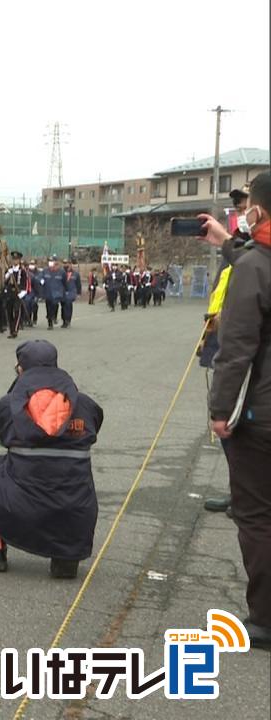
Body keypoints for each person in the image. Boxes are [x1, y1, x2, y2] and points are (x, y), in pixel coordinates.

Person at [0, 339, 103, 578]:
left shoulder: (8, 405)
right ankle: (66, 558)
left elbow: (1, 435)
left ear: (21, 369)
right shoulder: (84, 404)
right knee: (71, 476)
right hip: (75, 507)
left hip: (21, 504)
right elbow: (95, 426)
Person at [203, 170, 271, 648]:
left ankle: (265, 617)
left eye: (247, 202)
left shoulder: (255, 266)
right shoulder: (253, 258)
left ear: (259, 211)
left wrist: (220, 409)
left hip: (263, 414)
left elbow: (238, 346)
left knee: (257, 515)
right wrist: (229, 242)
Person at [0, 251, 30, 338]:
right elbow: (3, 281)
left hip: (18, 293)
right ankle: (11, 329)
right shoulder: (9, 269)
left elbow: (26, 282)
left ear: (19, 260)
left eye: (16, 260)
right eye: (13, 259)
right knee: (9, 312)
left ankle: (15, 330)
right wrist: (8, 273)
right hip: (9, 293)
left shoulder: (23, 271)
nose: (15, 261)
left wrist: (23, 292)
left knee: (17, 311)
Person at [58, 258, 81, 328]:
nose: (66, 265)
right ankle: (64, 320)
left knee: (68, 303)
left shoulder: (76, 274)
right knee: (63, 305)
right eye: (64, 263)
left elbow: (78, 284)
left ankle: (68, 320)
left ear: (70, 264)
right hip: (63, 292)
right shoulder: (60, 273)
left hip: (71, 291)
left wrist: (78, 293)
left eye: (67, 263)